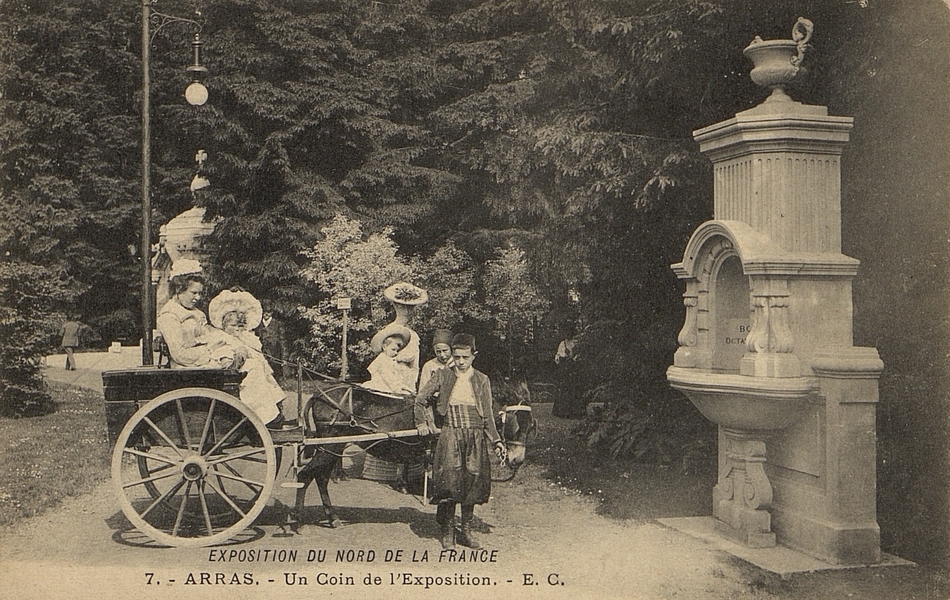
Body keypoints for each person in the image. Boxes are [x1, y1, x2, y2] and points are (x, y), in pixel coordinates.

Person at [414, 333, 506, 550]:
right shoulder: (443, 375)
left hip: (474, 436)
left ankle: (465, 531)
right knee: (449, 481)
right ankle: (447, 533)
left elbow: (488, 417)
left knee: (472, 483)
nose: (461, 362)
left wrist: (496, 441)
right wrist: (421, 423)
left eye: (465, 357)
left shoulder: (482, 380)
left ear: (474, 356)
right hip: (450, 434)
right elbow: (420, 400)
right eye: (457, 357)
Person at [207, 290, 286, 427]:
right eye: (232, 326)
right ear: (224, 325)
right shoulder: (221, 337)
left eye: (240, 326)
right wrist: (237, 356)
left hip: (248, 370)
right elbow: (222, 355)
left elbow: (256, 353)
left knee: (263, 372)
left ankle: (274, 409)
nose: (237, 329)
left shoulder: (247, 338)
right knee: (255, 367)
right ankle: (263, 414)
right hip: (235, 373)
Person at [156, 259, 238, 370]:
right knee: (252, 369)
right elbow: (179, 355)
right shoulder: (169, 316)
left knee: (254, 364)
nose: (198, 298)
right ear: (178, 289)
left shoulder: (197, 313)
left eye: (200, 293)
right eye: (194, 293)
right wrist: (209, 349)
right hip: (189, 368)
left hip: (209, 360)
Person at [255, 304, 290, 380]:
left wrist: (284, 358)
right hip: (261, 355)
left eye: (269, 311)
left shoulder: (278, 324)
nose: (266, 314)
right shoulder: (257, 325)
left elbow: (283, 341)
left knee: (274, 379)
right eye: (264, 311)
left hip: (275, 356)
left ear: (272, 312)